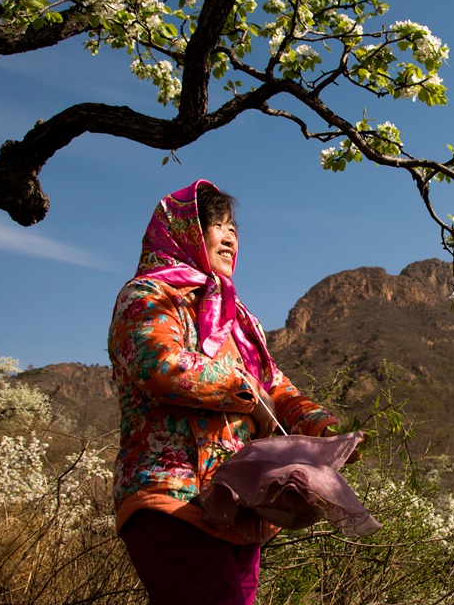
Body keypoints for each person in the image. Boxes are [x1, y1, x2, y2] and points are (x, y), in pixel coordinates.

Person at [108, 179, 341, 604]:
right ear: (186, 233)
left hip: (238, 508)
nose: (231, 235)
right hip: (173, 498)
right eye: (217, 224)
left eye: (234, 227)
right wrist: (245, 392)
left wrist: (324, 428)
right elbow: (158, 365)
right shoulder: (150, 295)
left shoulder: (237, 319)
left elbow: (277, 387)